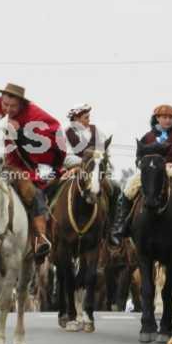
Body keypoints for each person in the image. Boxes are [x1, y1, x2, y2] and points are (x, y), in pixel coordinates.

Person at [0, 83, 66, 260]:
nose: (8, 109)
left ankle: (39, 239)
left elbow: (50, 141)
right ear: (1, 99)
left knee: (31, 192)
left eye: (13, 106)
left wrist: (20, 133)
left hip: (17, 168)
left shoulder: (35, 115)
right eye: (5, 104)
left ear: (21, 104)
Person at [112, 104, 172, 239]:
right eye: (164, 117)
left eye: (171, 117)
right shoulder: (147, 137)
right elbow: (139, 157)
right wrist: (142, 164)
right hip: (150, 173)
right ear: (157, 118)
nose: (168, 120)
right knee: (128, 189)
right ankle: (122, 224)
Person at [63, 103, 122, 247]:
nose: (88, 120)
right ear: (76, 119)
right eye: (85, 117)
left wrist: (99, 165)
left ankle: (111, 230)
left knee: (115, 188)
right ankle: (48, 226)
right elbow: (65, 156)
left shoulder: (97, 131)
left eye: (88, 117)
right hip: (72, 171)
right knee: (50, 186)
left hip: (96, 170)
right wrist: (83, 164)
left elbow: (104, 153)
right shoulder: (66, 133)